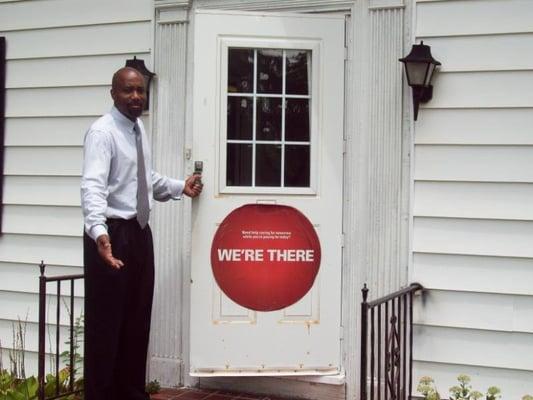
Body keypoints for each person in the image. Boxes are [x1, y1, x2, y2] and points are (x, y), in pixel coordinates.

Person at [81, 67, 202, 400]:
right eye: (128, 91)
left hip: (138, 231)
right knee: (107, 324)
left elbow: (144, 179)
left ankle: (130, 392)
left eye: (141, 91)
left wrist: (181, 187)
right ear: (113, 93)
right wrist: (99, 233)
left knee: (136, 320)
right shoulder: (102, 133)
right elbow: (92, 186)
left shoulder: (137, 129)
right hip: (111, 234)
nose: (136, 97)